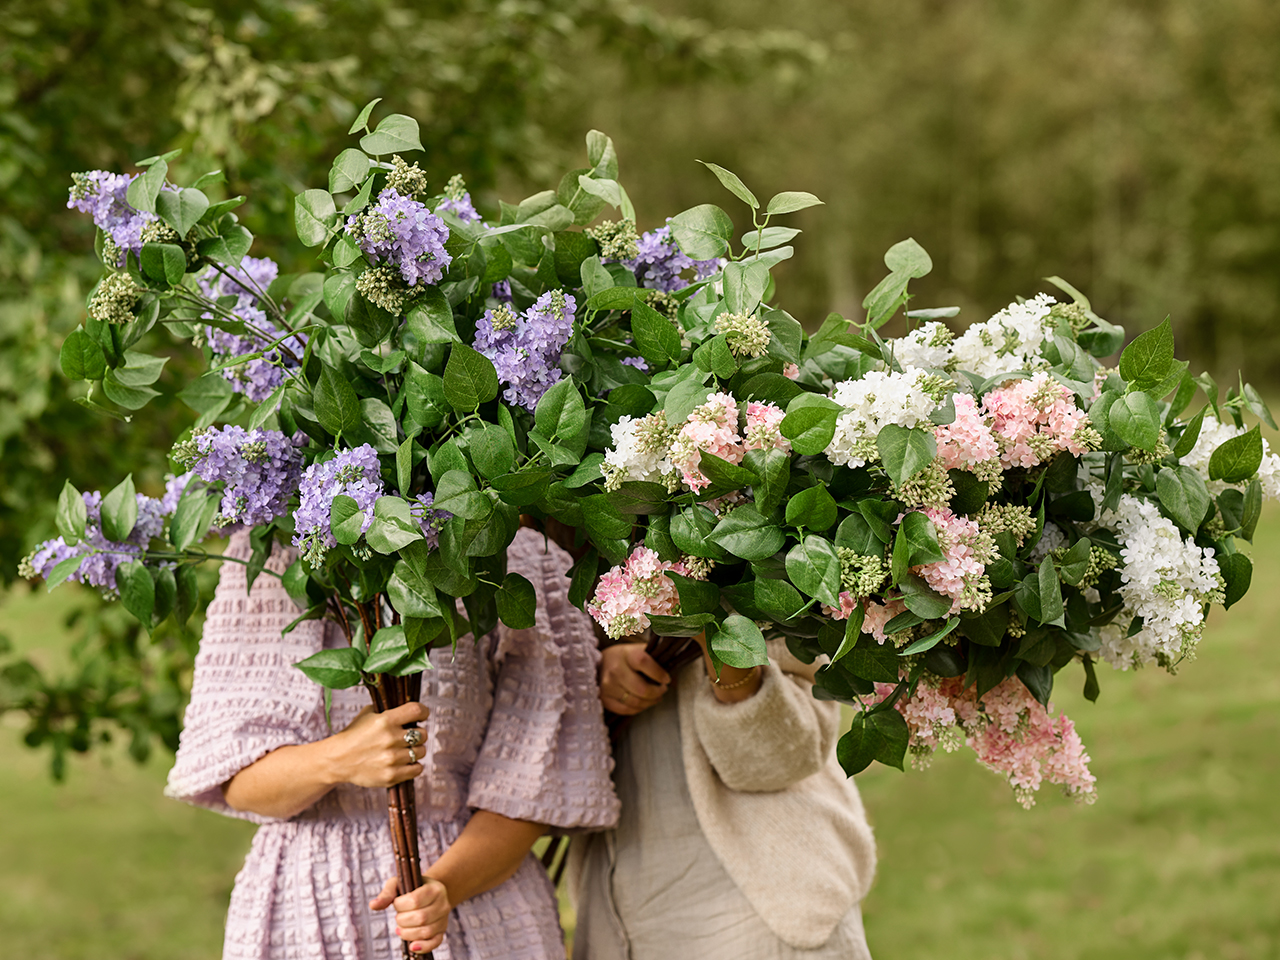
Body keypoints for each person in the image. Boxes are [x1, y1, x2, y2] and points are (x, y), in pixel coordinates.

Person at [166, 526, 620, 960]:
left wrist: (441, 889)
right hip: (304, 912)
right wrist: (341, 758)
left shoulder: (515, 561)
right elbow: (235, 780)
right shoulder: (275, 554)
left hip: (475, 910)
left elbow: (533, 789)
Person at [574, 632, 878, 959]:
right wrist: (589, 671)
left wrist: (721, 639)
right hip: (618, 909)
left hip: (762, 900)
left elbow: (784, 756)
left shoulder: (763, 590)